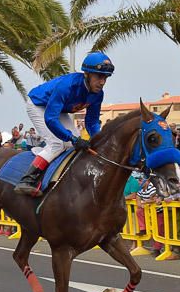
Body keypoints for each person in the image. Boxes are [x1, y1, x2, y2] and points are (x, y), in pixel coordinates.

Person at [14, 51, 114, 196]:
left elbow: (91, 122)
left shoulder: (98, 94)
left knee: (72, 143)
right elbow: (50, 118)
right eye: (99, 76)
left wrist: (99, 140)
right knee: (58, 144)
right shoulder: (67, 87)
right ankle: (27, 180)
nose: (102, 82)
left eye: (106, 77)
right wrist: (72, 138)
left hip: (58, 110)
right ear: (87, 74)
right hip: (39, 105)